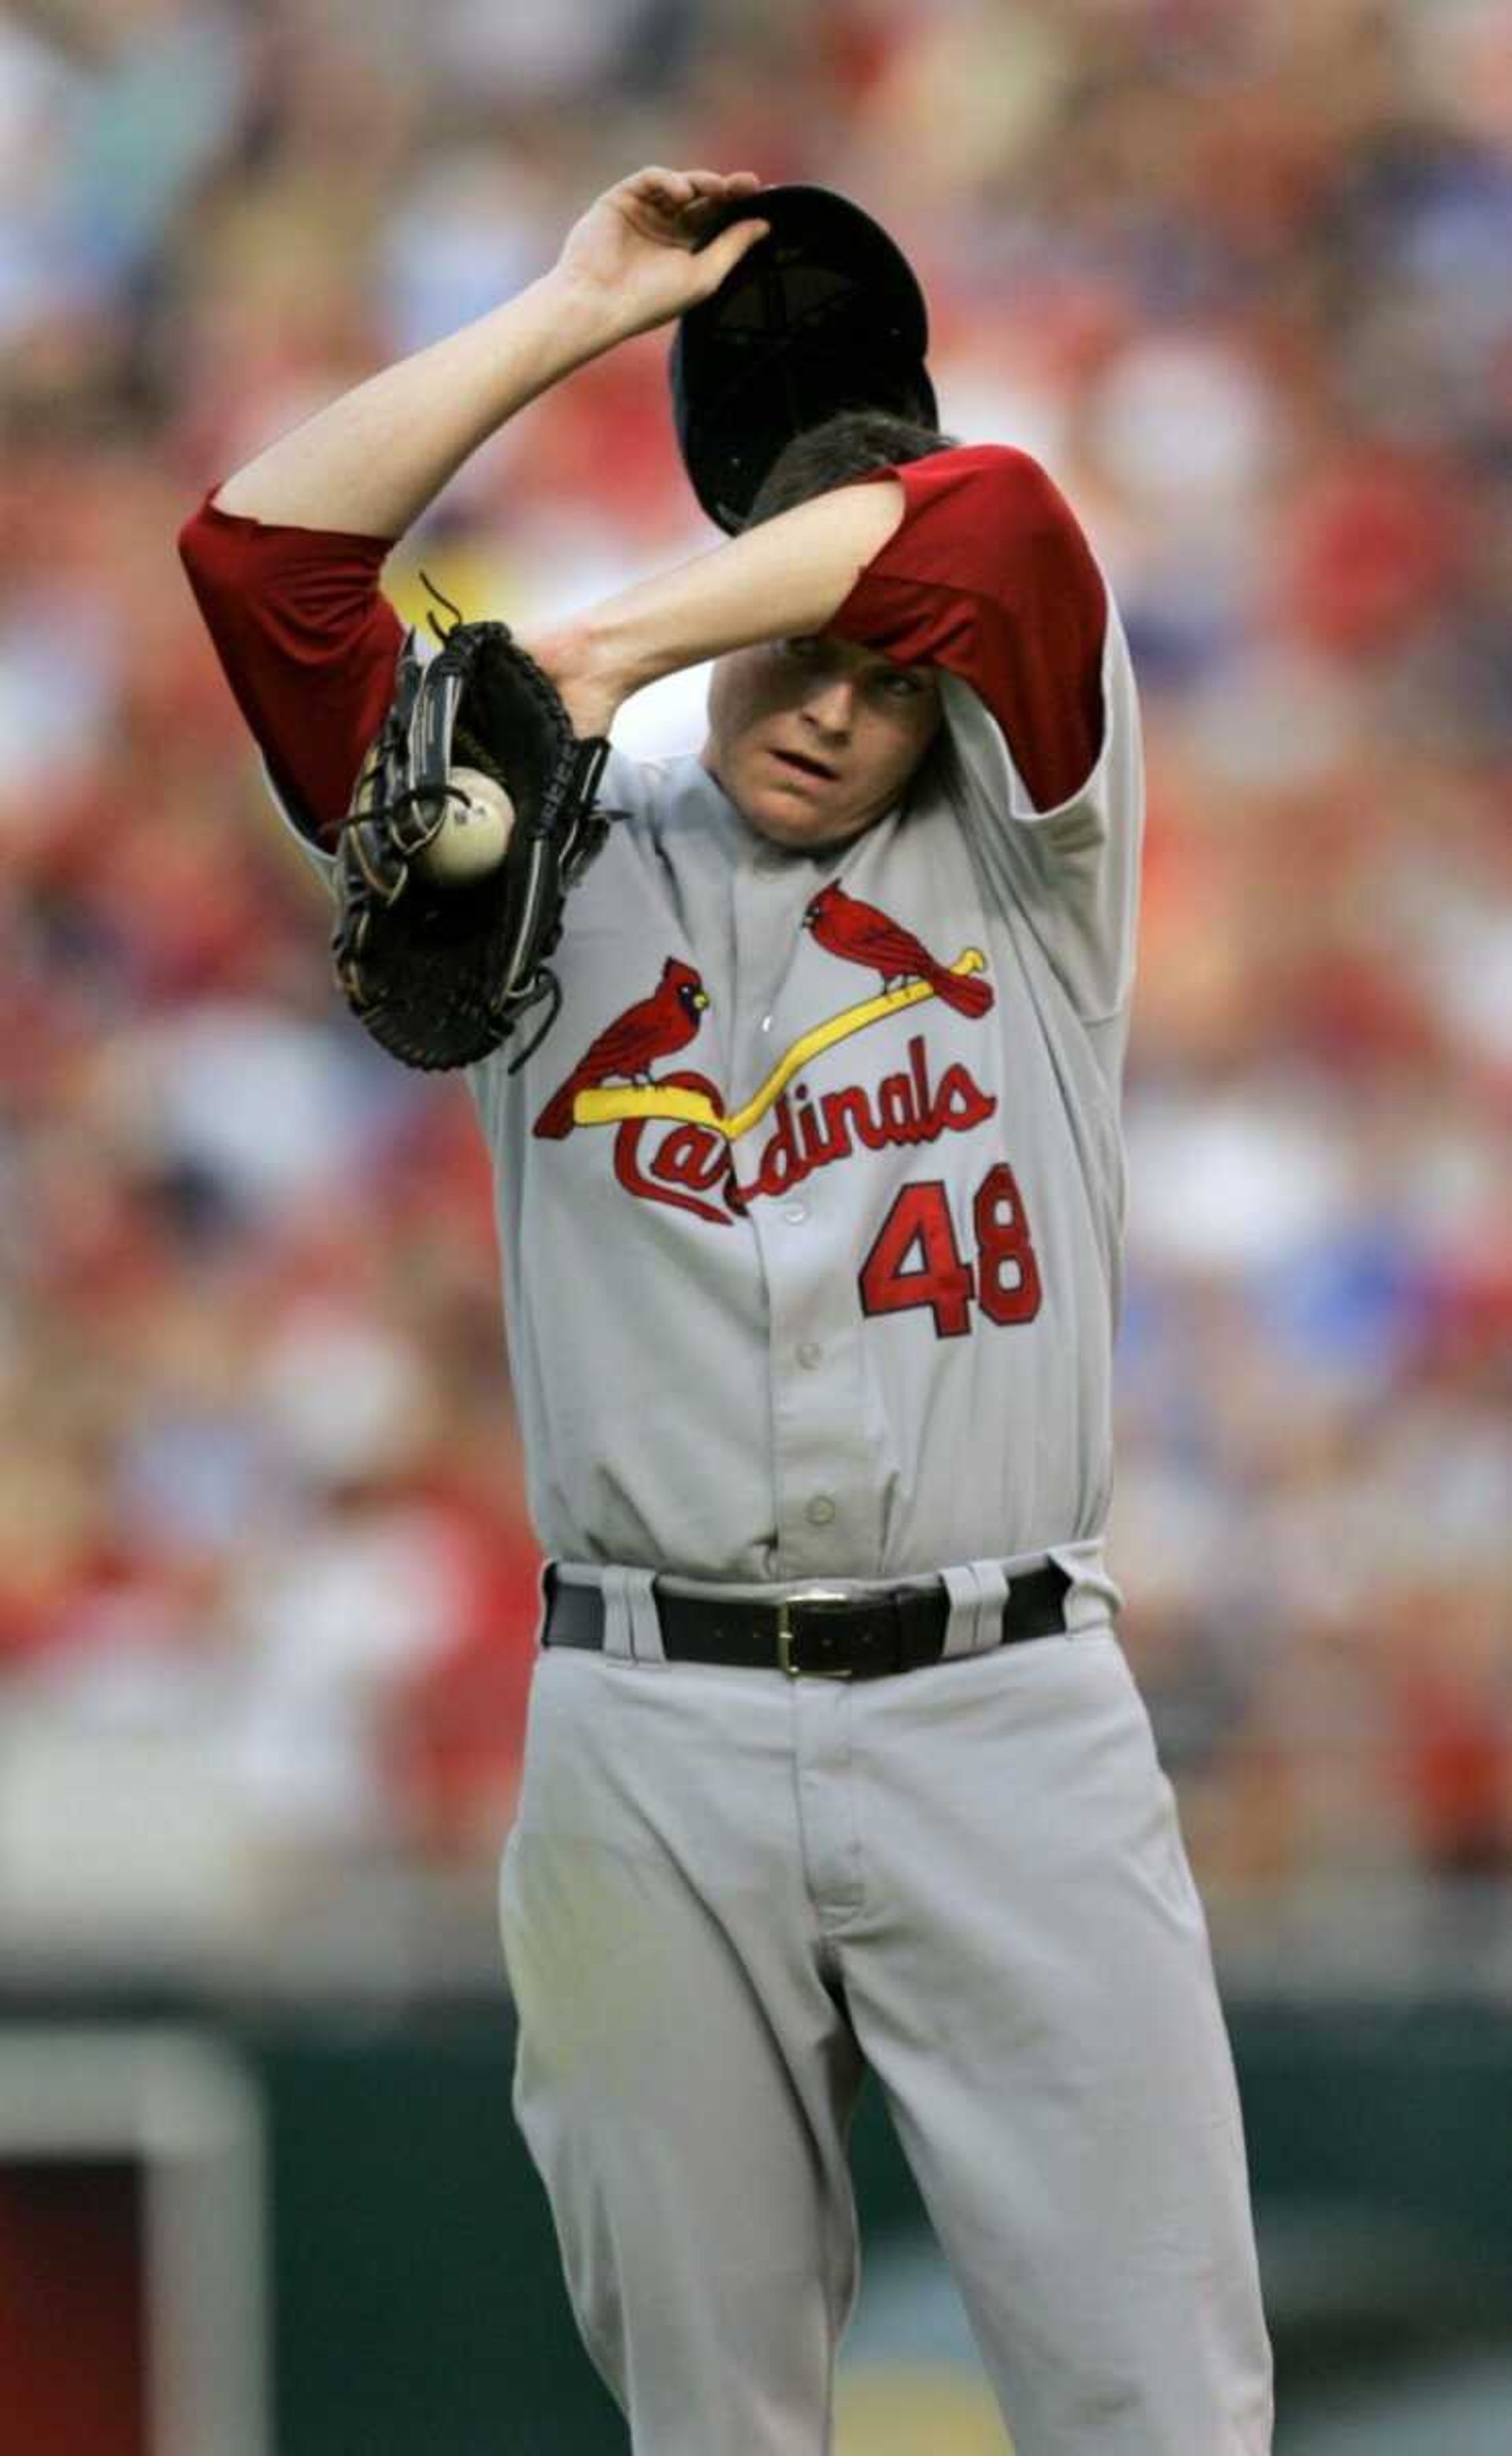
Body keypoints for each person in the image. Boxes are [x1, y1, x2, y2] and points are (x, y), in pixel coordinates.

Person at [180, 164, 1273, 2455]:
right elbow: (264, 564)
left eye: (887, 673)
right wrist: (573, 312)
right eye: (812, 646)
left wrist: (612, 641)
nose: (846, 707)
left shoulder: (1032, 832)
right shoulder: (548, 846)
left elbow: (991, 528)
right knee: (711, 2422)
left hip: (1010, 1714)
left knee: (1164, 2415)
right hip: (647, 1729)